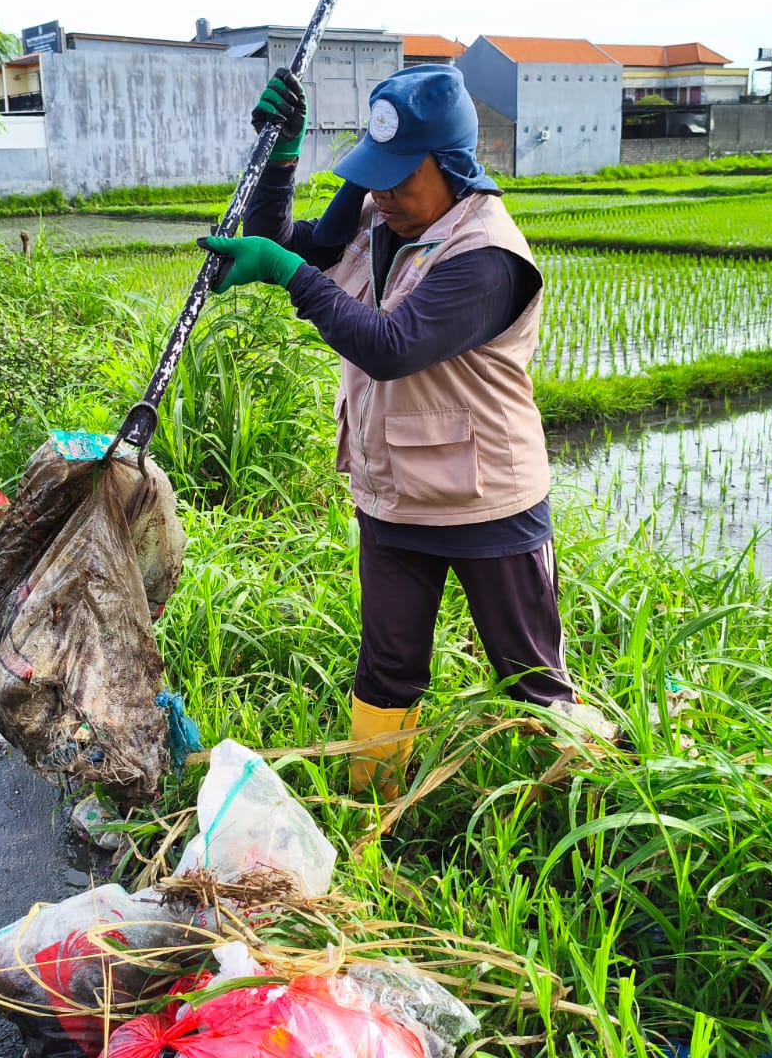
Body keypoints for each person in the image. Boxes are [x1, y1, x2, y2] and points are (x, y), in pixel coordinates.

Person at [201, 65, 595, 799]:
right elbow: (289, 240)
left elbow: (388, 346)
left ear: (449, 168)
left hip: (488, 505)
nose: (379, 194)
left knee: (531, 676)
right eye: (372, 177)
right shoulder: (384, 209)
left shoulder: (487, 256)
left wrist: (285, 273)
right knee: (387, 667)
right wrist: (281, 158)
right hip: (393, 496)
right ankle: (372, 808)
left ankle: (592, 812)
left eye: (396, 179)